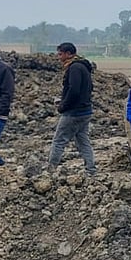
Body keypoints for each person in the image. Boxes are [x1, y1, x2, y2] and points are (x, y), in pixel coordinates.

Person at [47, 42, 97, 175]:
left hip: (74, 112)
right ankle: (91, 170)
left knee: (58, 141)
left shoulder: (74, 68)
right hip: (86, 110)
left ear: (68, 54)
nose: (59, 57)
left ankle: (50, 170)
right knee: (83, 141)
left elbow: (74, 90)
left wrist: (63, 106)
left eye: (60, 54)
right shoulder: (84, 67)